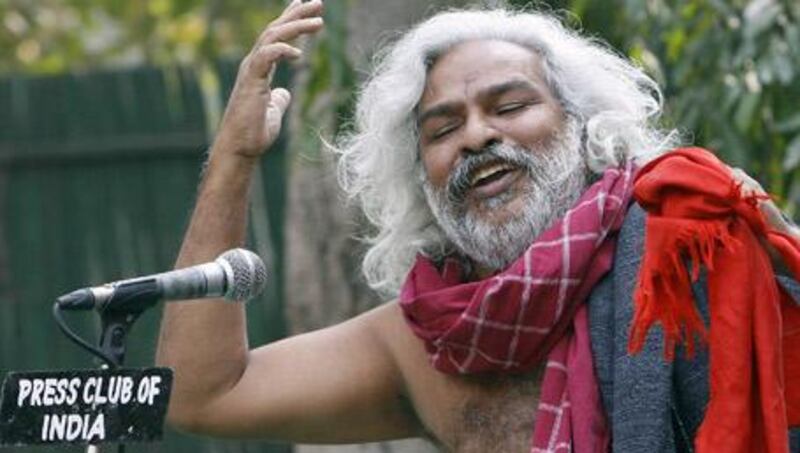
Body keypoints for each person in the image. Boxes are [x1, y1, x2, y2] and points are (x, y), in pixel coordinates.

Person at [155, 1, 800, 452]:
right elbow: (202, 394)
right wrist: (234, 158)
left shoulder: (688, 240)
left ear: (582, 124)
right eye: (442, 129)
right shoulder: (427, 341)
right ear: (420, 177)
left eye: (511, 105)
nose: (477, 136)